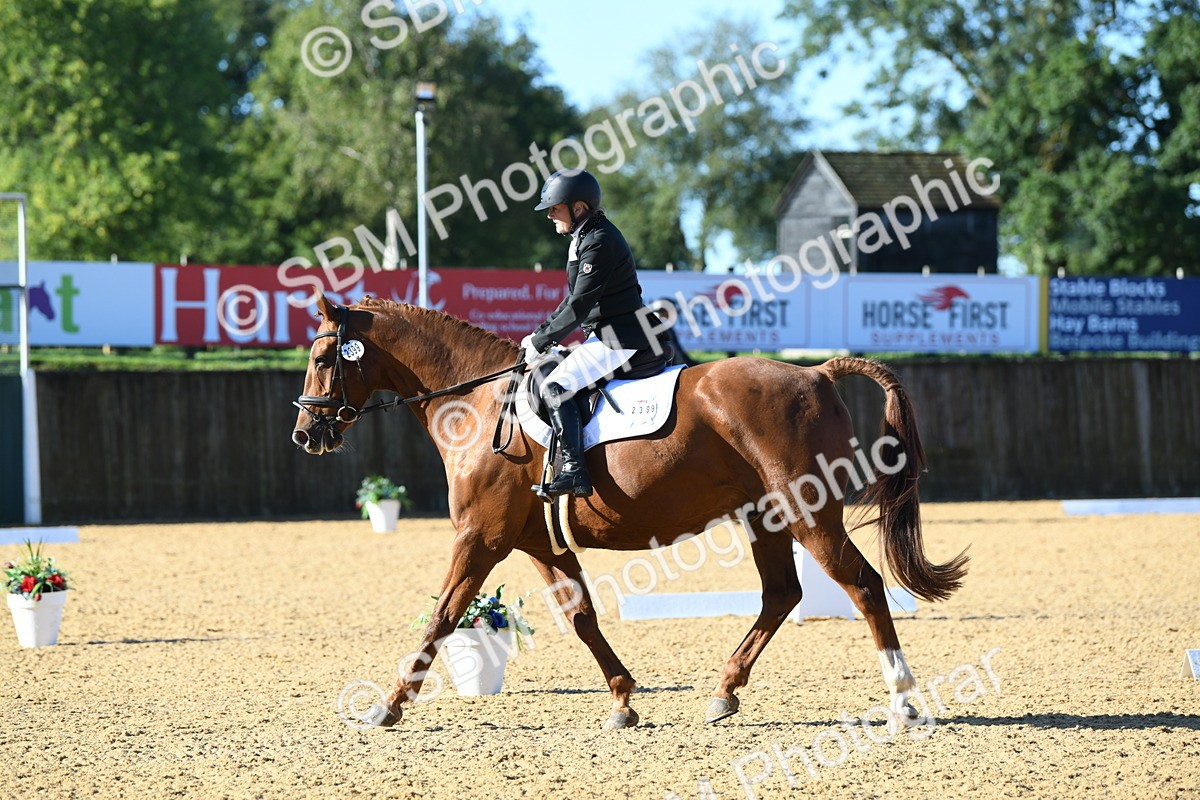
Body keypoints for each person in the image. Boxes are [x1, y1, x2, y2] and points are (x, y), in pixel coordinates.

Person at [521, 168, 657, 497]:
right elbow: (573, 300)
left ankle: (574, 471)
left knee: (555, 386)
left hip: (621, 339)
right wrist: (541, 333)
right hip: (606, 336)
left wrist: (541, 340)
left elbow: (579, 304)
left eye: (555, 208)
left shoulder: (599, 241)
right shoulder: (585, 236)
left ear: (578, 208)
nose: (550, 215)